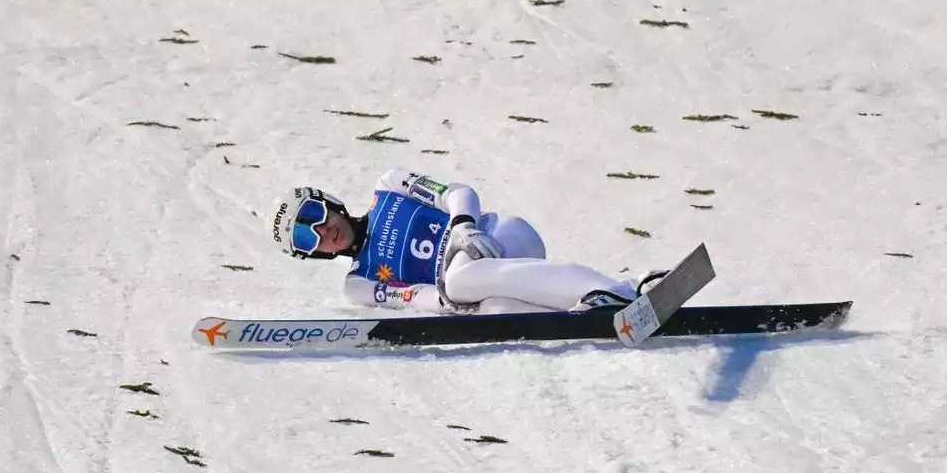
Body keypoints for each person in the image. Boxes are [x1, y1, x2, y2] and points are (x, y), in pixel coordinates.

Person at [268, 169, 665, 314]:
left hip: (502, 236)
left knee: (460, 282)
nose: (322, 233)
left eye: (314, 218)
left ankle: (608, 290)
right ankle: (618, 298)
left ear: (329, 204)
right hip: (489, 283)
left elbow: (456, 191)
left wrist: (463, 226)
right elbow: (415, 298)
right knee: (491, 308)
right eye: (307, 240)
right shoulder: (359, 283)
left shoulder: (388, 189)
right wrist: (443, 303)